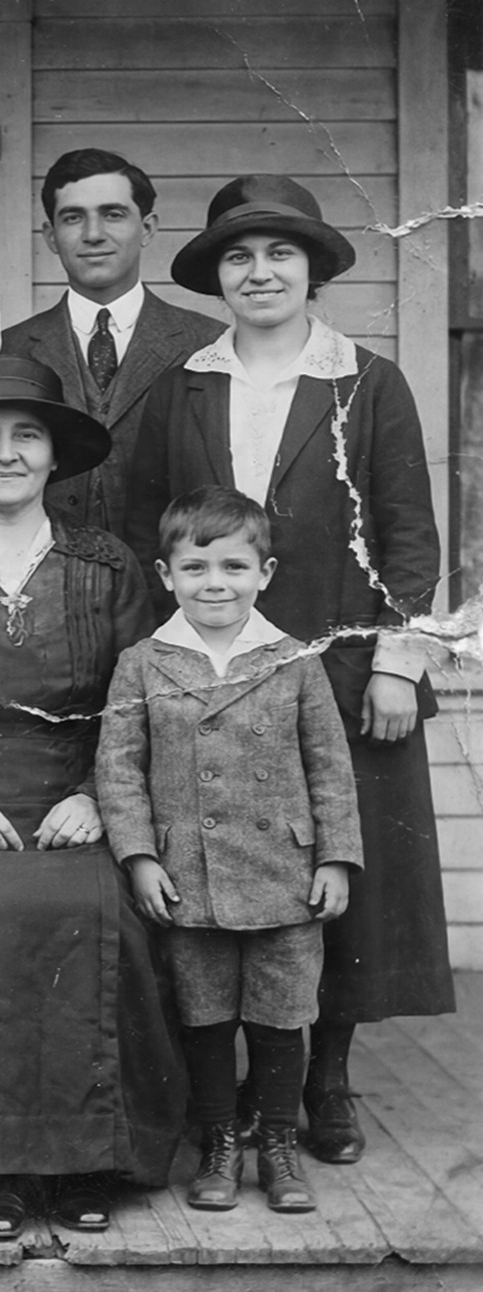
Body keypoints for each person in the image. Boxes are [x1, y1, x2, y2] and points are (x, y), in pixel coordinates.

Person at [125, 174, 455, 1166]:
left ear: (312, 269)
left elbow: (407, 536)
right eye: (237, 255)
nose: (258, 271)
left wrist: (399, 663)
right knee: (219, 878)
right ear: (218, 275)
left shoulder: (367, 380)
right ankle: (225, 1095)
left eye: (278, 252)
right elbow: (150, 521)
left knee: (338, 876)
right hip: (210, 676)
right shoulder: (185, 381)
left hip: (340, 667)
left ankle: (327, 1077)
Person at [0, 355, 186, 1239]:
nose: (6, 453)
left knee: (106, 913)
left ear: (56, 457)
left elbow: (149, 700)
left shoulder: (107, 566)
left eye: (27, 436)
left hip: (80, 800)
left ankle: (86, 1159)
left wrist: (101, 793)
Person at [98, 487, 363, 1214]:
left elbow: (329, 766)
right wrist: (140, 856)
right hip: (190, 878)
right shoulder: (144, 663)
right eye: (196, 568)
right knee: (207, 1019)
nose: (215, 583)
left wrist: (336, 856)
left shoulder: (296, 661)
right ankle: (219, 1142)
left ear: (265, 573)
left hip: (286, 873)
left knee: (282, 1017)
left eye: (234, 567)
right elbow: (119, 770)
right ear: (166, 574)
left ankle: (275, 1146)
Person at [2, 148, 221, 534]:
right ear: (51, 236)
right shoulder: (9, 350)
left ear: (148, 228)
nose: (93, 234)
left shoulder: (209, 346)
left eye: (113, 214)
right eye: (73, 218)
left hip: (167, 583)